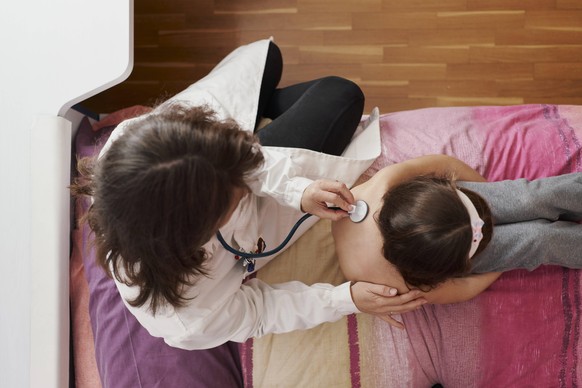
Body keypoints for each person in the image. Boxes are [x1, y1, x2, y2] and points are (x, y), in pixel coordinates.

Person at [71, 38, 426, 350]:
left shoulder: (129, 141)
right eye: (236, 196)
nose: (246, 187)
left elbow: (248, 160)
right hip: (220, 197)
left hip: (207, 142)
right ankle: (265, 108)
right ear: (200, 233)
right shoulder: (189, 317)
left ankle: (260, 107)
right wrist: (344, 299)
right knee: (342, 95)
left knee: (267, 56)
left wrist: (295, 189)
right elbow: (259, 311)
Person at [333, 154, 582, 328]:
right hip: (442, 247)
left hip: (446, 210)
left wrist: (486, 196)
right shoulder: (397, 282)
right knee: (538, 239)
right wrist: (508, 260)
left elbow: (443, 164)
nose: (485, 228)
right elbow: (461, 290)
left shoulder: (383, 185)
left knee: (531, 197)